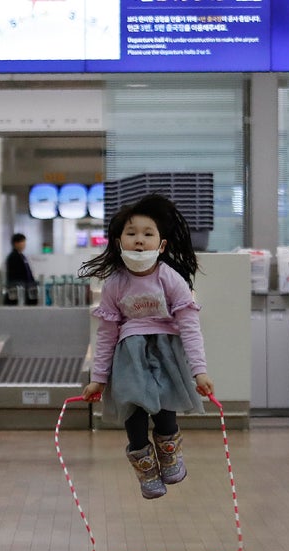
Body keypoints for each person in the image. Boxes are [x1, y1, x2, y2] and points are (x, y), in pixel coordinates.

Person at [78, 194, 215, 499]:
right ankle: (145, 467)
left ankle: (168, 453)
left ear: (161, 245)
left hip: (166, 354)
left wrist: (199, 371)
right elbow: (106, 335)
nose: (139, 240)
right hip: (129, 357)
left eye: (147, 233)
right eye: (131, 233)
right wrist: (98, 378)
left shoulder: (171, 279)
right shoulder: (115, 283)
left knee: (165, 412)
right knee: (134, 414)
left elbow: (190, 328)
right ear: (118, 242)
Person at [4, 233, 36, 305]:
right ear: (16, 243)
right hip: (18, 289)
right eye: (22, 242)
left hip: (25, 288)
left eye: (24, 242)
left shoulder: (22, 256)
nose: (24, 244)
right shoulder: (13, 257)